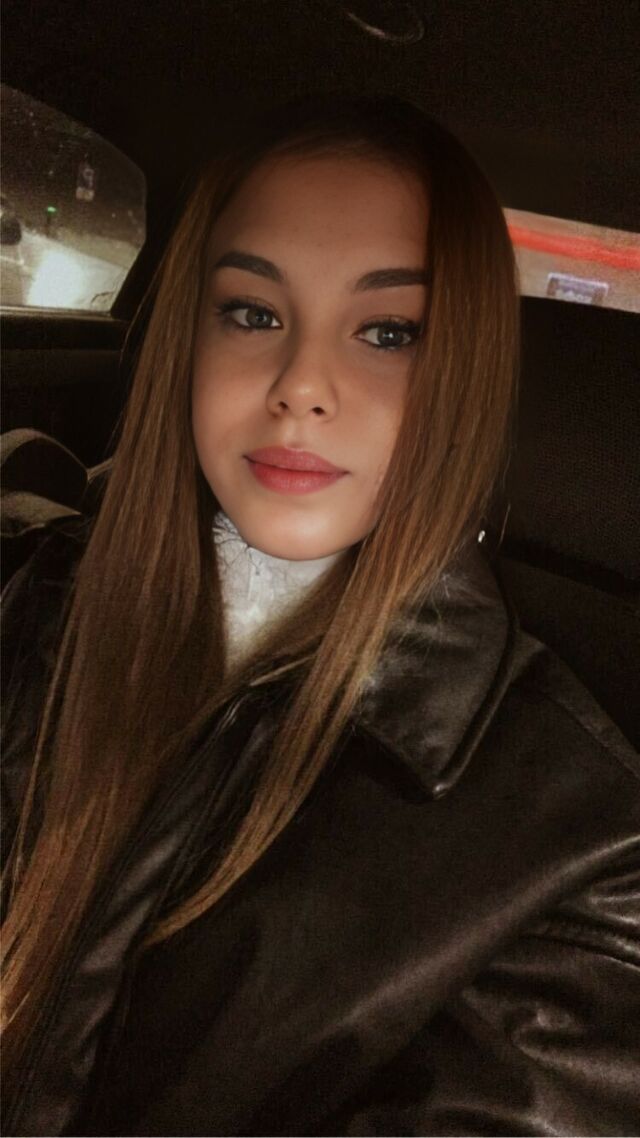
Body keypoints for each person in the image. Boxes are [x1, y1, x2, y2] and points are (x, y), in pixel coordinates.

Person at [1, 93, 639, 1137]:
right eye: (252, 314)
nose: (302, 385)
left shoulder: (584, 853)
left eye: (388, 332)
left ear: (465, 370)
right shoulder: (32, 598)